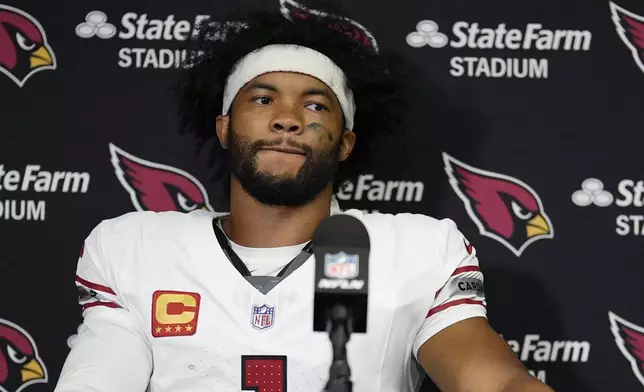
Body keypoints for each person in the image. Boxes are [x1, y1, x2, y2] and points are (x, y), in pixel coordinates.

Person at [54, 9, 554, 392]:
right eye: (262, 99)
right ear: (225, 127)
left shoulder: (419, 250)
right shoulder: (134, 247)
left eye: (315, 105)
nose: (288, 119)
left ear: (345, 141)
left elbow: (491, 378)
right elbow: (96, 379)